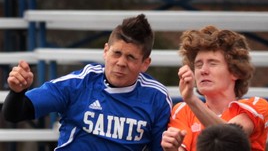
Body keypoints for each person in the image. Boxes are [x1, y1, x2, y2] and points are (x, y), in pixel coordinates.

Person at [2, 14, 172, 150]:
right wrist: (17, 91)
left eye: (131, 57)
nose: (121, 62)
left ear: (145, 64)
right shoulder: (78, 84)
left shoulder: (157, 98)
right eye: (116, 53)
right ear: (106, 51)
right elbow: (14, 114)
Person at [161, 25, 268, 151]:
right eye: (198, 64)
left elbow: (230, 139)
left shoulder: (257, 106)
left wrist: (192, 100)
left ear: (235, 72)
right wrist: (171, 149)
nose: (203, 70)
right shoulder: (183, 110)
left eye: (212, 63)